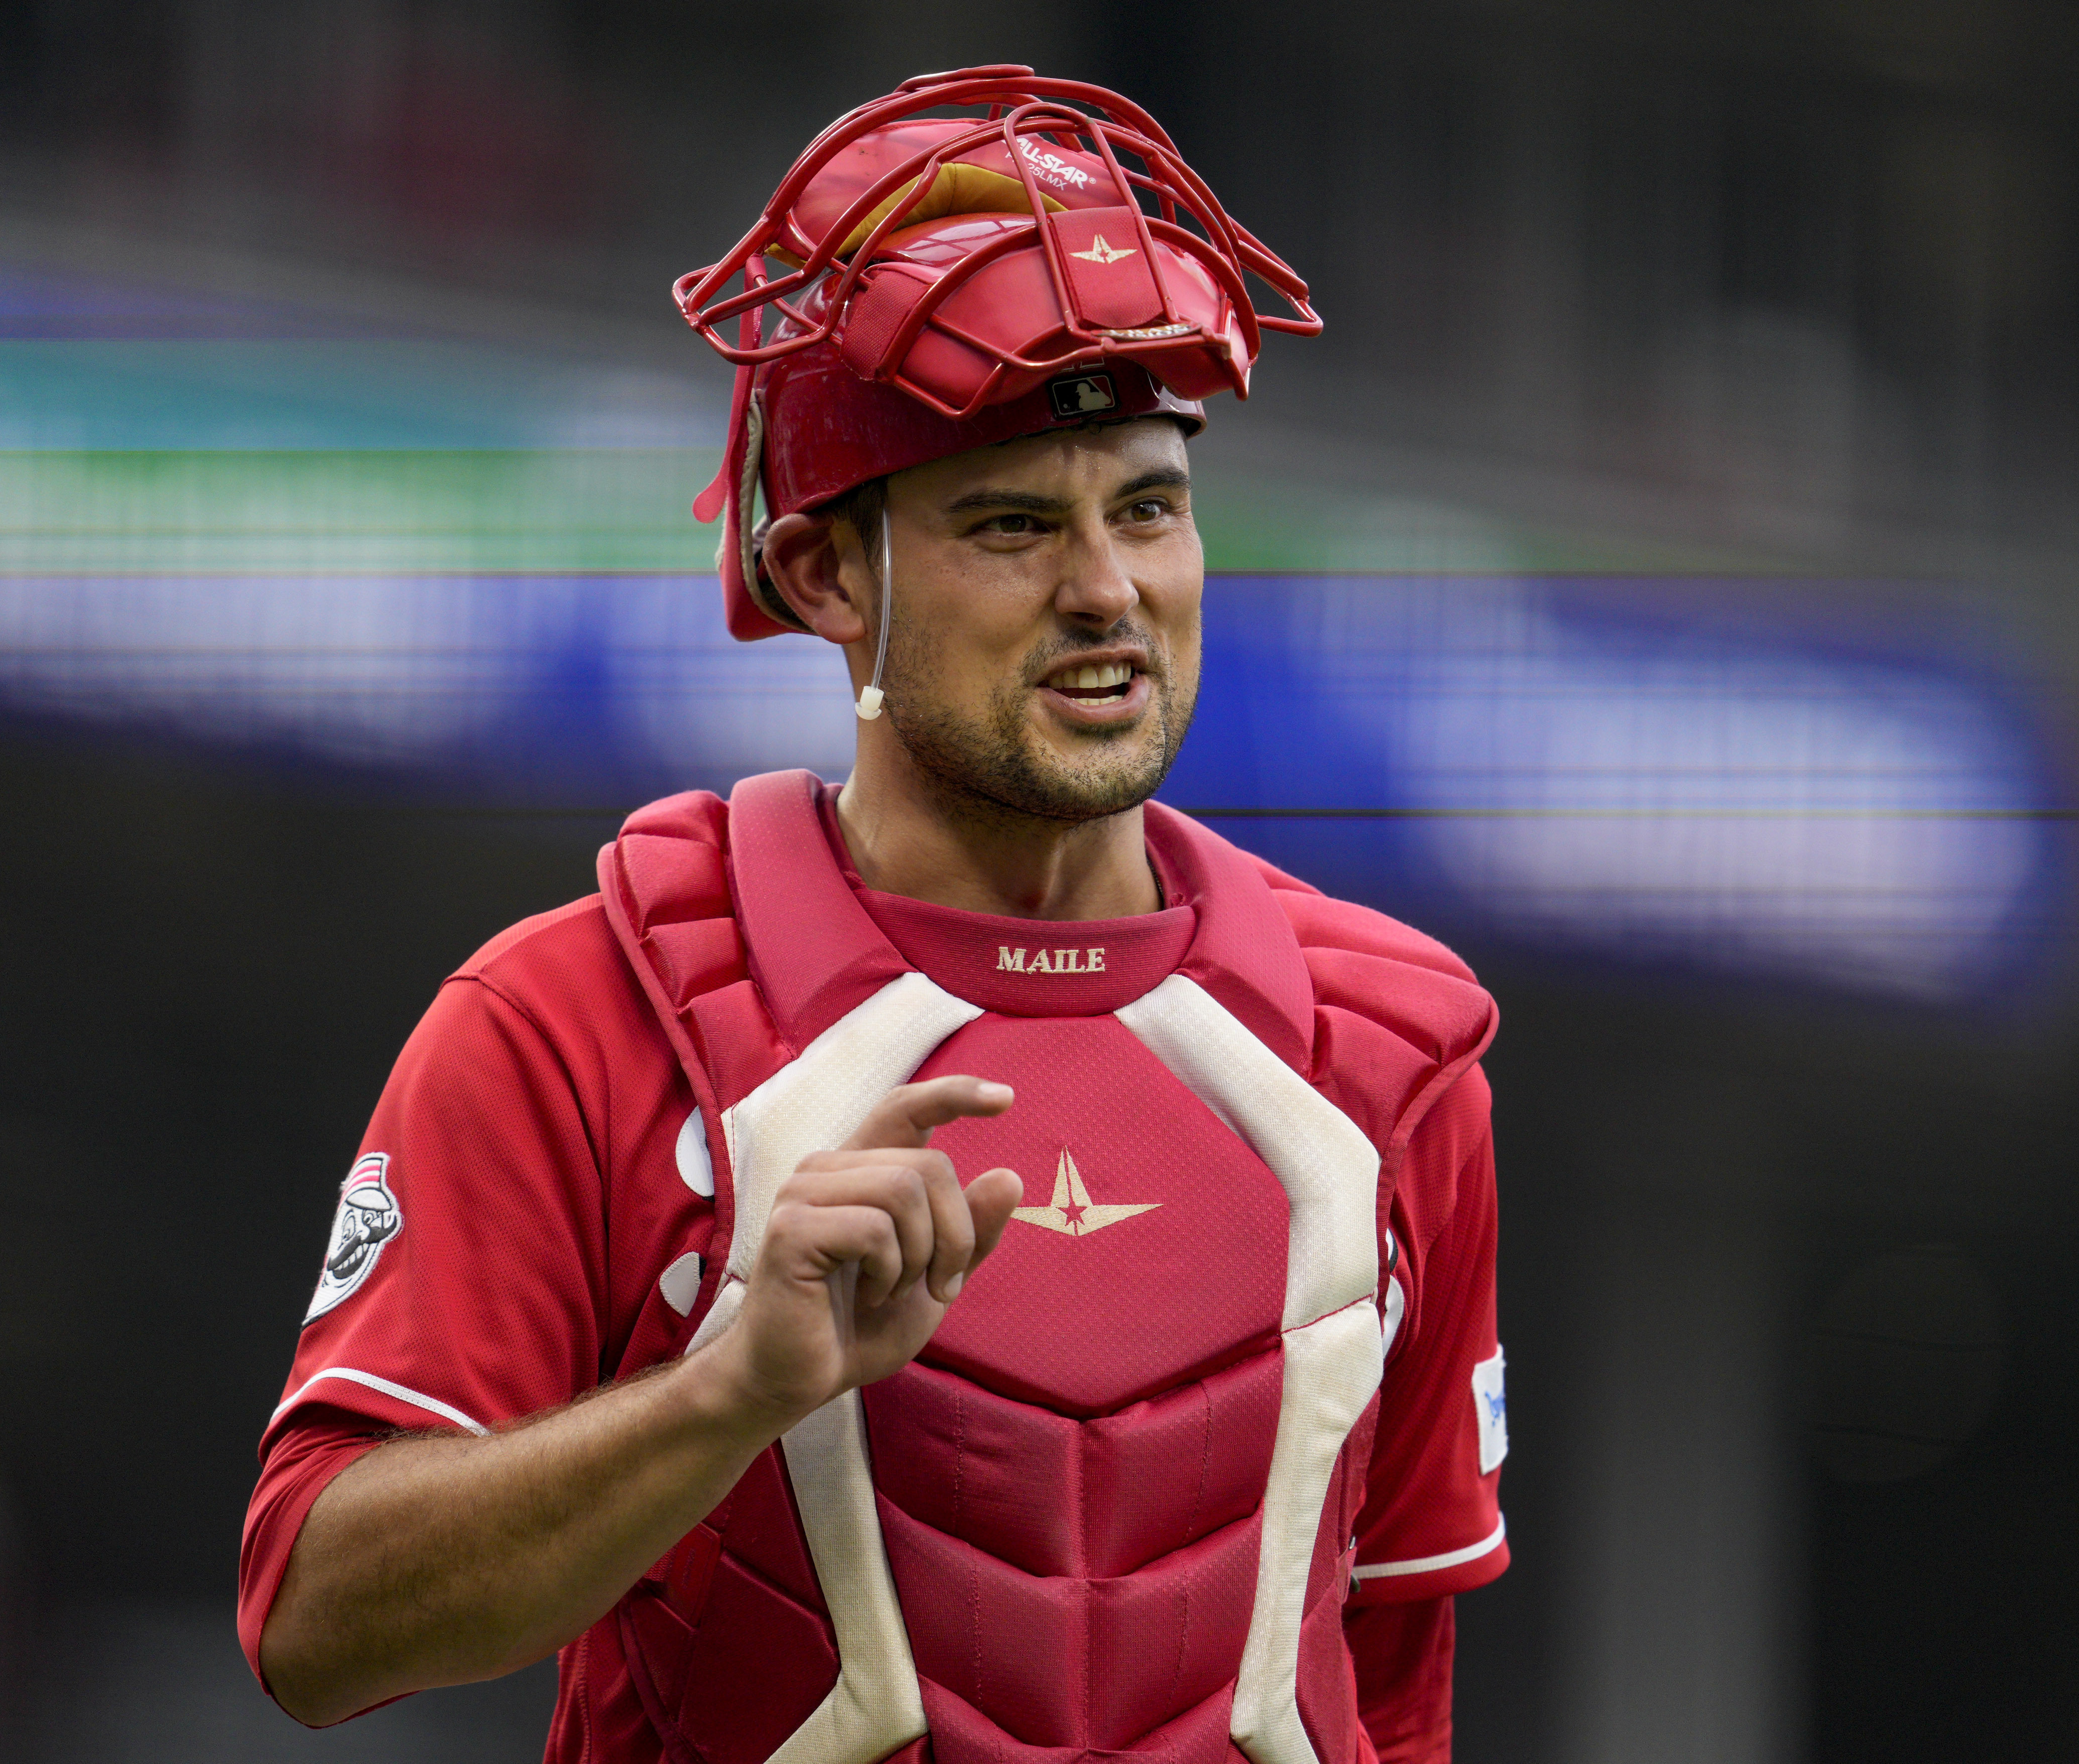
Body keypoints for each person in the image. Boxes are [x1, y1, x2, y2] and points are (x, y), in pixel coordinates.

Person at [238, 66, 1508, 1764]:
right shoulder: (580, 1014)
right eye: (1011, 526)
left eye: (1149, 505)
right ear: (828, 575)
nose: (1108, 592)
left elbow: (1396, 1678)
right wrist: (725, 1395)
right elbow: (313, 1624)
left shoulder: (1395, 1054)